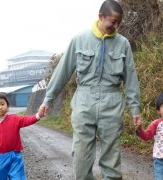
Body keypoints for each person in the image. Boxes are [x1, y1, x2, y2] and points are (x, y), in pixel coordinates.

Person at [39, 0, 141, 179]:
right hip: (84, 100)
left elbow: (131, 79)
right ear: (101, 16)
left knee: (111, 156)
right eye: (113, 22)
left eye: (119, 23)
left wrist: (135, 109)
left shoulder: (122, 43)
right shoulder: (79, 39)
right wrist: (48, 99)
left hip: (112, 100)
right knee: (81, 154)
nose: (116, 26)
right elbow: (63, 71)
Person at [0, 92, 44, 180]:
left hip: (15, 155)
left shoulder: (14, 119)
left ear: (7, 104)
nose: (0, 107)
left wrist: (38, 115)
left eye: (2, 104)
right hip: (0, 158)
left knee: (18, 177)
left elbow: (27, 120)